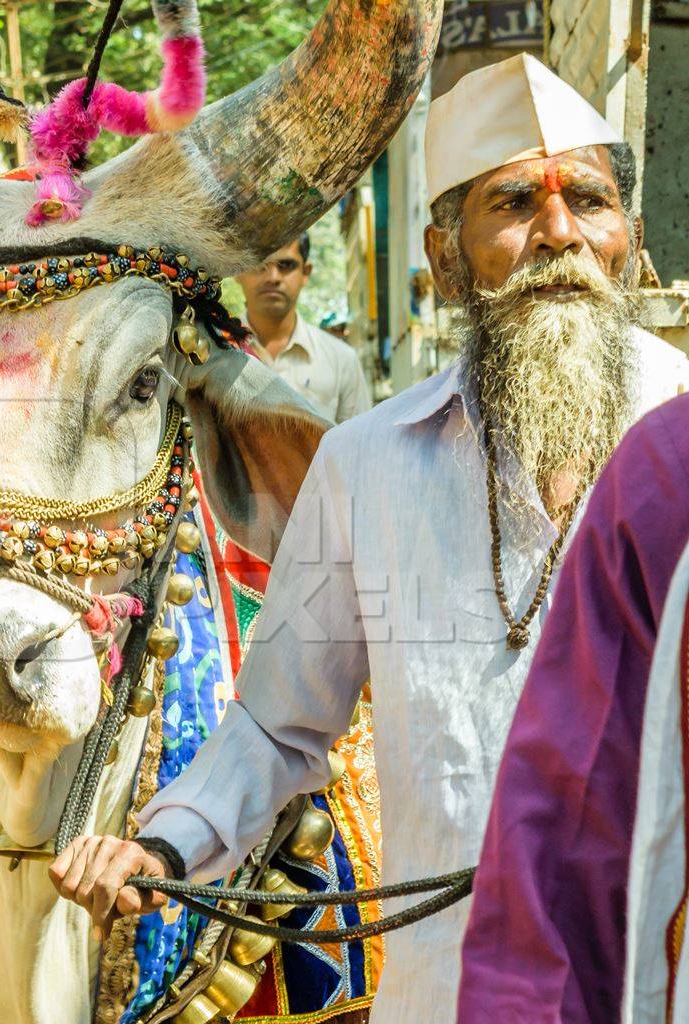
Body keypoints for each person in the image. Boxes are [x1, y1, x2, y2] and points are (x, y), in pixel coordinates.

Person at [48, 53, 689, 1022]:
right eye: (514, 202)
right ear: (442, 256)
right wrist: (168, 845)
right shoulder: (367, 465)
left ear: (629, 240)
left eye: (588, 202)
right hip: (452, 983)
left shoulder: (680, 436)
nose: (559, 232)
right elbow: (278, 721)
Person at [455, 399, 689, 1023]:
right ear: (447, 291)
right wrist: (179, 844)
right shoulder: (670, 467)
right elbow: (276, 718)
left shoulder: (666, 445)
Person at [236, 233, 371, 422]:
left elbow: (359, 445)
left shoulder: (341, 361)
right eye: (260, 264)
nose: (273, 277)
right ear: (238, 271)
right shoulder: (210, 353)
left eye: (286, 265)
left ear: (306, 272)